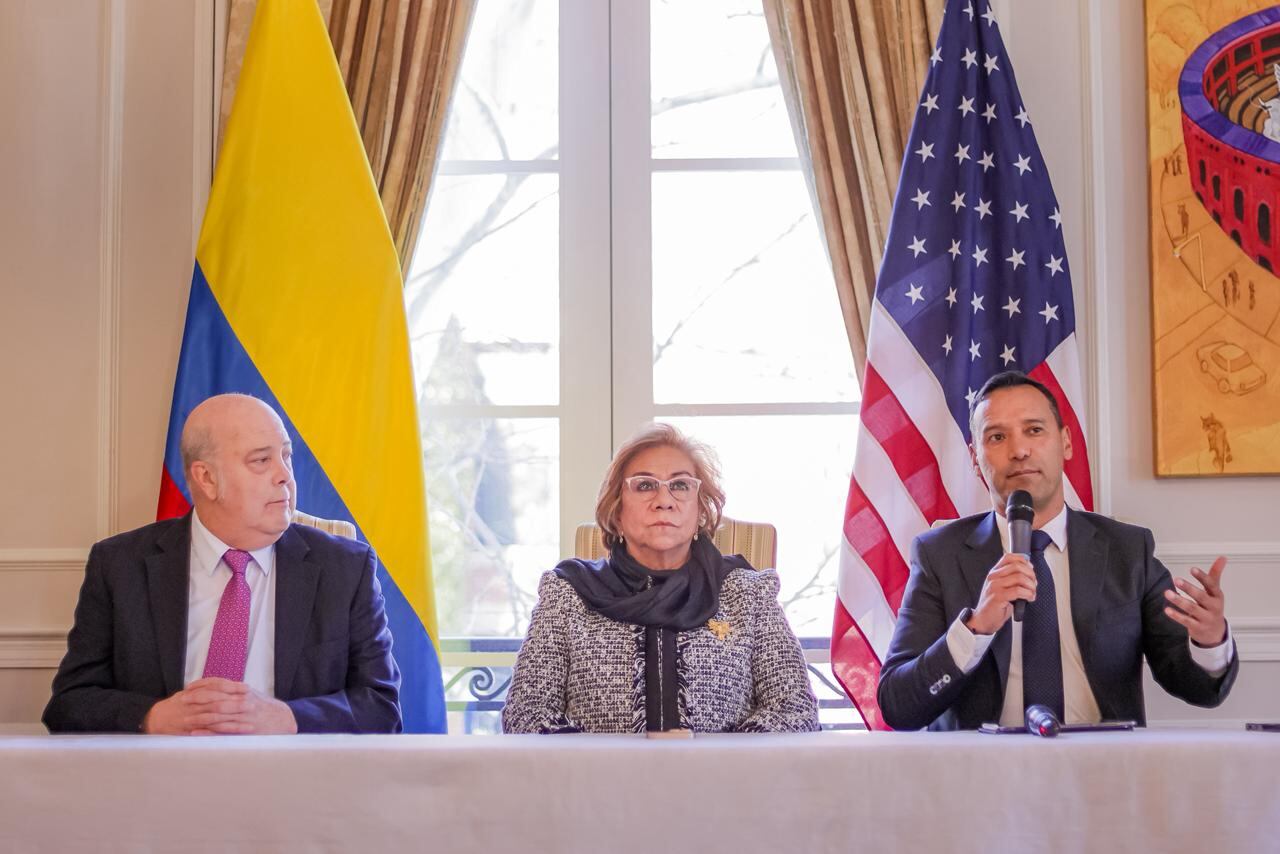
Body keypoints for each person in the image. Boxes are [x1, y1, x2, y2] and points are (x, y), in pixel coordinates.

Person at [877, 371, 1237, 731]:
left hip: (1103, 771)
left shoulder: (1128, 550)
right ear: (975, 458)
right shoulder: (938, 555)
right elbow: (899, 705)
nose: (1019, 451)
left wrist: (1209, 641)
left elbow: (1198, 688)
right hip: (983, 776)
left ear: (1065, 443)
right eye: (997, 437)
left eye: (1034, 430)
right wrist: (975, 628)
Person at [43, 394, 401, 734]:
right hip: (161, 783)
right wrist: (152, 717)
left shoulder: (346, 568)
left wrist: (288, 718)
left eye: (286, 456)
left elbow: (381, 707)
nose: (285, 476)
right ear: (207, 479)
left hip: (293, 786)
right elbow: (70, 703)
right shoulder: (121, 565)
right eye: (261, 460)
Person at [502, 423, 819, 734]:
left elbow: (795, 711)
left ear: (700, 511)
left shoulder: (747, 593)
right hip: (599, 784)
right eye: (644, 485)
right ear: (617, 511)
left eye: (680, 485)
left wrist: (718, 762)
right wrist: (602, 767)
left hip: (723, 784)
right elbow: (526, 714)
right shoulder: (569, 593)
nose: (664, 500)